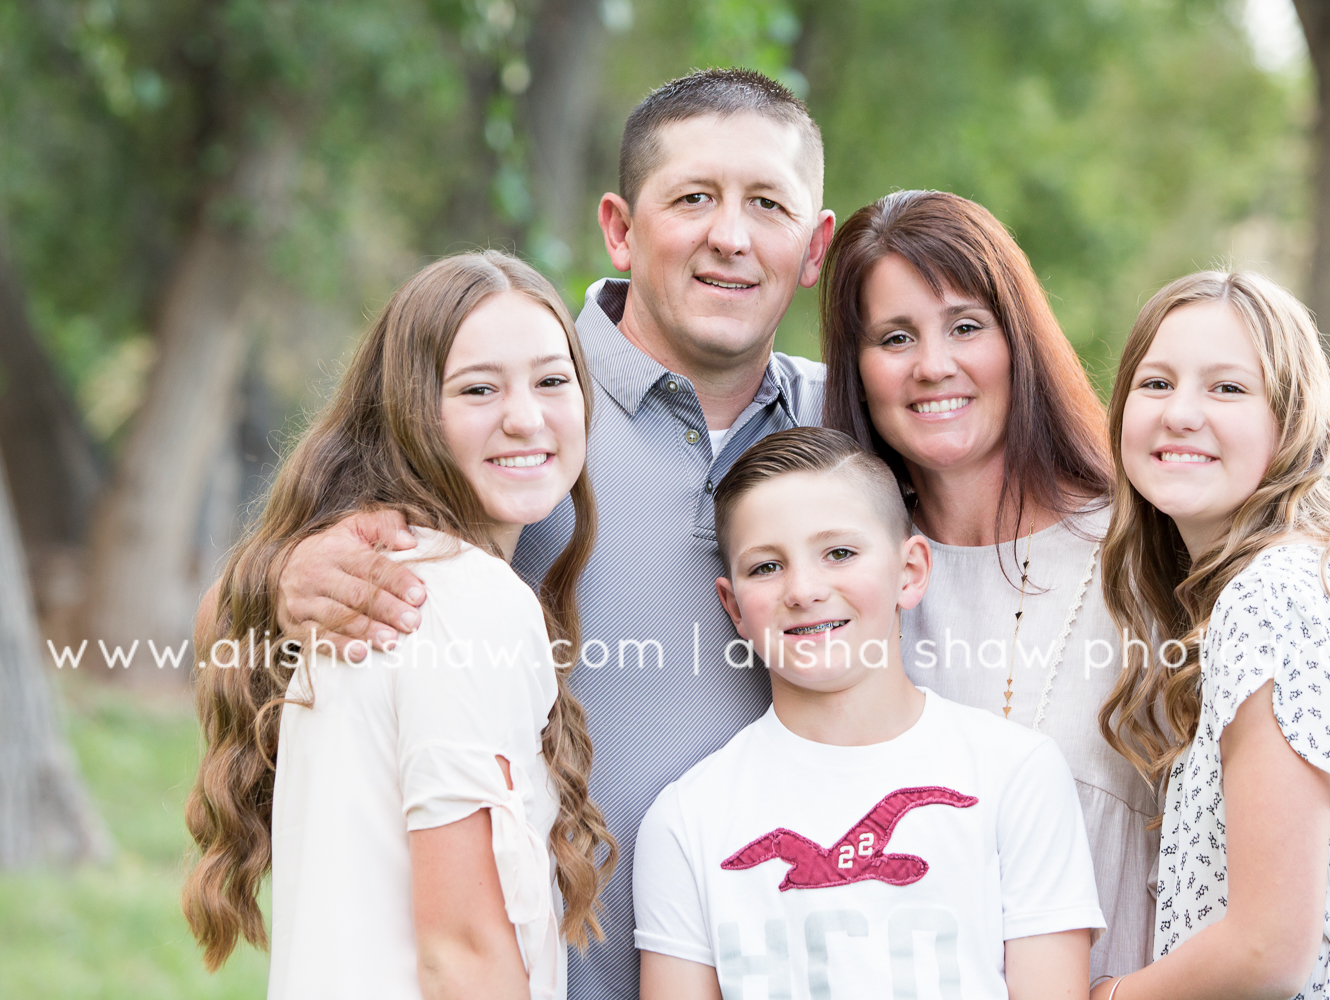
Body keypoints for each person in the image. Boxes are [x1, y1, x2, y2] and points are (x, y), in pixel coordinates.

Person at [208, 69, 837, 997]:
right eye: (694, 197)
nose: (730, 236)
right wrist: (283, 574)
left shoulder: (857, 428)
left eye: (768, 204)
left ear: (815, 243)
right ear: (620, 227)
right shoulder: (516, 403)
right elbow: (261, 624)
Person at [181, 251, 615, 999]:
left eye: (552, 380)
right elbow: (467, 949)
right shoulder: (453, 598)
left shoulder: (356, 583)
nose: (525, 415)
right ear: (412, 412)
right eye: (479, 388)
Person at [1089, 270, 1330, 999]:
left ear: (1290, 422)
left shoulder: (1278, 599)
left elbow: (1267, 950)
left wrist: (1109, 997)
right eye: (1157, 383)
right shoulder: (1302, 578)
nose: (1180, 414)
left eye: (1228, 388)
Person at [635, 427, 1104, 1000]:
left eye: (839, 553)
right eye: (766, 567)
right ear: (732, 606)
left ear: (910, 571)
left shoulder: (1014, 774)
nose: (804, 590)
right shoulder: (687, 819)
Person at [819, 190, 1155, 981]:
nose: (934, 365)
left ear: (1019, 341)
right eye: (895, 337)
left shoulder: (1142, 550)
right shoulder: (841, 588)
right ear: (857, 370)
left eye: (966, 326)